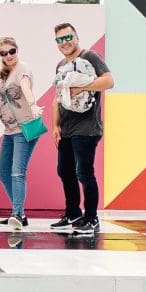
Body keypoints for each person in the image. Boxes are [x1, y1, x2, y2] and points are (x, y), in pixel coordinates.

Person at [49, 23, 113, 234]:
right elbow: (57, 97)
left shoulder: (90, 56)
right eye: (60, 39)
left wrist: (81, 87)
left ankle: (91, 218)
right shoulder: (60, 65)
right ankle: (73, 213)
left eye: (68, 37)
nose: (64, 42)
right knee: (64, 171)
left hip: (87, 127)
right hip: (66, 128)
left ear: (76, 37)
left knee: (84, 172)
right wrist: (55, 125)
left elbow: (109, 81)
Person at [0, 36, 44, 230]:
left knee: (17, 172)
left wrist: (33, 104)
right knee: (2, 171)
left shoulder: (22, 68)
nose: (8, 56)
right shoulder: (6, 73)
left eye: (11, 51)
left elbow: (25, 87)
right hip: (9, 130)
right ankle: (20, 212)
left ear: (17, 49)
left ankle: (17, 213)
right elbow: (2, 94)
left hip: (24, 128)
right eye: (4, 53)